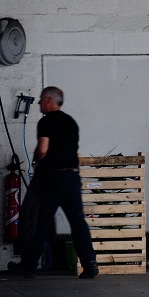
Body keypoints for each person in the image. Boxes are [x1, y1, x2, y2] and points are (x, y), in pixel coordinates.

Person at [8, 86, 99, 278]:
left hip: (52, 178)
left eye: (41, 100)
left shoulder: (47, 121)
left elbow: (43, 149)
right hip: (72, 177)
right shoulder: (71, 122)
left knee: (40, 221)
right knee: (77, 221)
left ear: (50, 100)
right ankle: (90, 264)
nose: (39, 103)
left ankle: (29, 266)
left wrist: (35, 160)